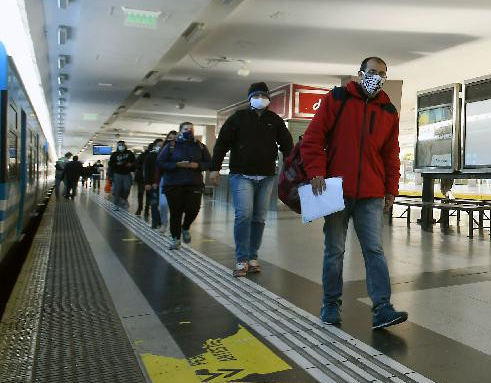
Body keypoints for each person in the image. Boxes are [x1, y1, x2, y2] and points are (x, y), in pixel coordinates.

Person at [300, 56, 407, 330]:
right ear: (360, 73)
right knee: (334, 250)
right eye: (372, 72)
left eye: (382, 73)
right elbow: (313, 138)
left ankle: (382, 308)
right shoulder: (337, 99)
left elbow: (390, 154)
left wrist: (390, 190)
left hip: (371, 193)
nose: (377, 77)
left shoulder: (388, 111)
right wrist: (316, 171)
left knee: (374, 250)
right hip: (335, 190)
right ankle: (330, 304)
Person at [210, 82, 293, 277]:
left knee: (259, 217)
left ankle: (252, 257)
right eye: (256, 95)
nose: (260, 98)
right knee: (244, 214)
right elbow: (221, 144)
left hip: (266, 176)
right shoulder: (237, 118)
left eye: (264, 95)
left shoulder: (275, 120)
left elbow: (287, 145)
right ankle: (241, 259)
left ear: (268, 99)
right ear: (249, 98)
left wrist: (292, 166)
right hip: (241, 175)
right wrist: (214, 168)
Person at [157, 122, 211, 250]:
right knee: (176, 212)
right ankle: (175, 239)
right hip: (174, 184)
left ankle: (185, 227)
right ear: (180, 131)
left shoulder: (200, 146)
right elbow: (160, 161)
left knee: (194, 209)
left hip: (194, 183)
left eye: (191, 129)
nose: (189, 131)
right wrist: (176, 165)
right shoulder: (171, 146)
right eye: (186, 129)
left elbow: (209, 162)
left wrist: (197, 165)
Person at [107, 141, 136, 210]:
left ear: (125, 145)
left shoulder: (129, 153)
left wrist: (131, 165)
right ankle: (116, 204)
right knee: (117, 189)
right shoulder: (114, 154)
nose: (121, 146)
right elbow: (110, 164)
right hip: (117, 174)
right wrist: (117, 164)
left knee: (127, 188)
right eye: (119, 145)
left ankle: (124, 199)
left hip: (127, 173)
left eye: (122, 145)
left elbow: (134, 162)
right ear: (117, 146)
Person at [144, 139, 165, 227]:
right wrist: (147, 183)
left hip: (164, 183)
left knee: (162, 204)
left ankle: (160, 221)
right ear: (154, 146)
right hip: (153, 184)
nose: (160, 147)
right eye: (159, 145)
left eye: (162, 145)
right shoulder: (150, 156)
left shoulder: (165, 156)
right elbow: (146, 170)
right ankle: (155, 222)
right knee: (154, 203)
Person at [134, 145, 148, 218]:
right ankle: (140, 208)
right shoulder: (142, 155)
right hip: (141, 178)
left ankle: (144, 209)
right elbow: (136, 164)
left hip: (149, 178)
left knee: (143, 194)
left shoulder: (155, 155)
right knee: (141, 193)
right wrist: (144, 167)